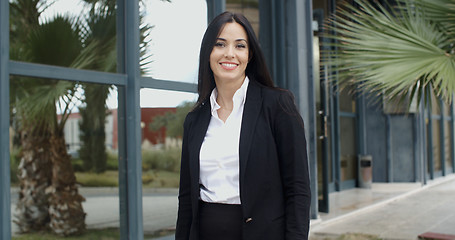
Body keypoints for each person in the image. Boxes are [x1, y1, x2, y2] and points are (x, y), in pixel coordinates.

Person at [175, 11, 311, 240]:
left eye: (240, 46)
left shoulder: (277, 105)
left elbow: (297, 189)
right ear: (208, 52)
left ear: (250, 55)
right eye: (220, 44)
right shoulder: (195, 119)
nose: (230, 53)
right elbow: (186, 198)